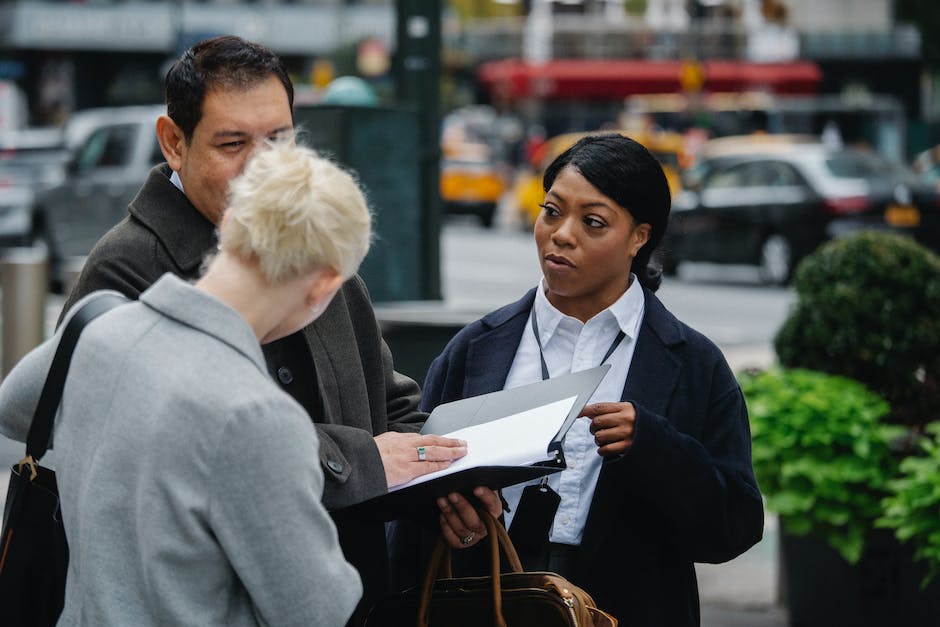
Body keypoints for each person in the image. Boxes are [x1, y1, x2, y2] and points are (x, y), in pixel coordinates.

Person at [59, 35, 500, 624]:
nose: (263, 167)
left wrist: (441, 480)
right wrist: (364, 459)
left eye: (280, 140)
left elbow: (387, 405)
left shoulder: (315, 249)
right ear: (173, 142)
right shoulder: (127, 265)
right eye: (233, 143)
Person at [0, 142, 373, 626]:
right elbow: (317, 610)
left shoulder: (96, 330)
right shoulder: (258, 415)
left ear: (234, 219)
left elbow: (12, 407)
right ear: (324, 283)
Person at [416, 134, 765, 626]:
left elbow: (735, 527)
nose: (562, 234)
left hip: (633, 608)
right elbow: (414, 498)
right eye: (552, 211)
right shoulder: (475, 349)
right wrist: (450, 512)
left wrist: (655, 447)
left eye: (593, 222)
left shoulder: (694, 364)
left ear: (639, 238)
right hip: (487, 605)